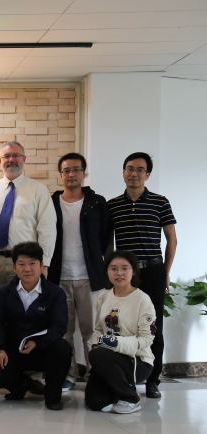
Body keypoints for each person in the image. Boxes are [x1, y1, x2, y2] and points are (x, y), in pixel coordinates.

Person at [107, 152, 177, 399]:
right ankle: (126, 377)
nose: (133, 174)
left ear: (147, 174)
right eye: (129, 169)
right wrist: (110, 271)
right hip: (126, 275)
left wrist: (166, 271)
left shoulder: (160, 202)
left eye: (139, 170)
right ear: (123, 172)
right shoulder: (113, 205)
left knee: (153, 326)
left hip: (154, 271)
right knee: (123, 325)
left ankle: (152, 380)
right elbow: (108, 243)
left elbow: (171, 239)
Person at [48, 153, 110, 391]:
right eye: (66, 170)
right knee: (63, 331)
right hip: (59, 277)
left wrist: (105, 271)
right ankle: (69, 373)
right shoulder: (52, 203)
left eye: (76, 170)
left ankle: (95, 373)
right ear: (60, 174)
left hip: (89, 277)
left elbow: (106, 239)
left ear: (84, 173)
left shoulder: (97, 202)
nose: (71, 174)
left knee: (92, 330)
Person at [0, 141, 56, 307]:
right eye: (7, 156)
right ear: (0, 161)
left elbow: (47, 230)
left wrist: (44, 265)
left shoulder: (39, 191)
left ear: (24, 159)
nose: (11, 160)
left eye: (16, 155)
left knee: (25, 310)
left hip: (26, 263)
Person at [0, 242, 71, 410]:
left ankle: (53, 397)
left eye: (32, 263)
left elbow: (59, 326)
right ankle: (21, 386)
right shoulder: (5, 292)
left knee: (63, 349)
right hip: (14, 348)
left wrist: (38, 343)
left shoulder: (55, 293)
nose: (27, 269)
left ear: (41, 266)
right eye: (21, 264)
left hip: (44, 348)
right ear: (14, 267)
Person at [85, 250, 156, 414]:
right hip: (108, 358)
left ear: (133, 271)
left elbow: (147, 339)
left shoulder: (142, 299)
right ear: (107, 271)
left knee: (97, 355)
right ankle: (117, 389)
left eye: (125, 268)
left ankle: (131, 398)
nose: (119, 273)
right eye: (113, 269)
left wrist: (113, 344)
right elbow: (98, 328)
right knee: (95, 403)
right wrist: (96, 344)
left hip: (137, 361)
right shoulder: (104, 296)